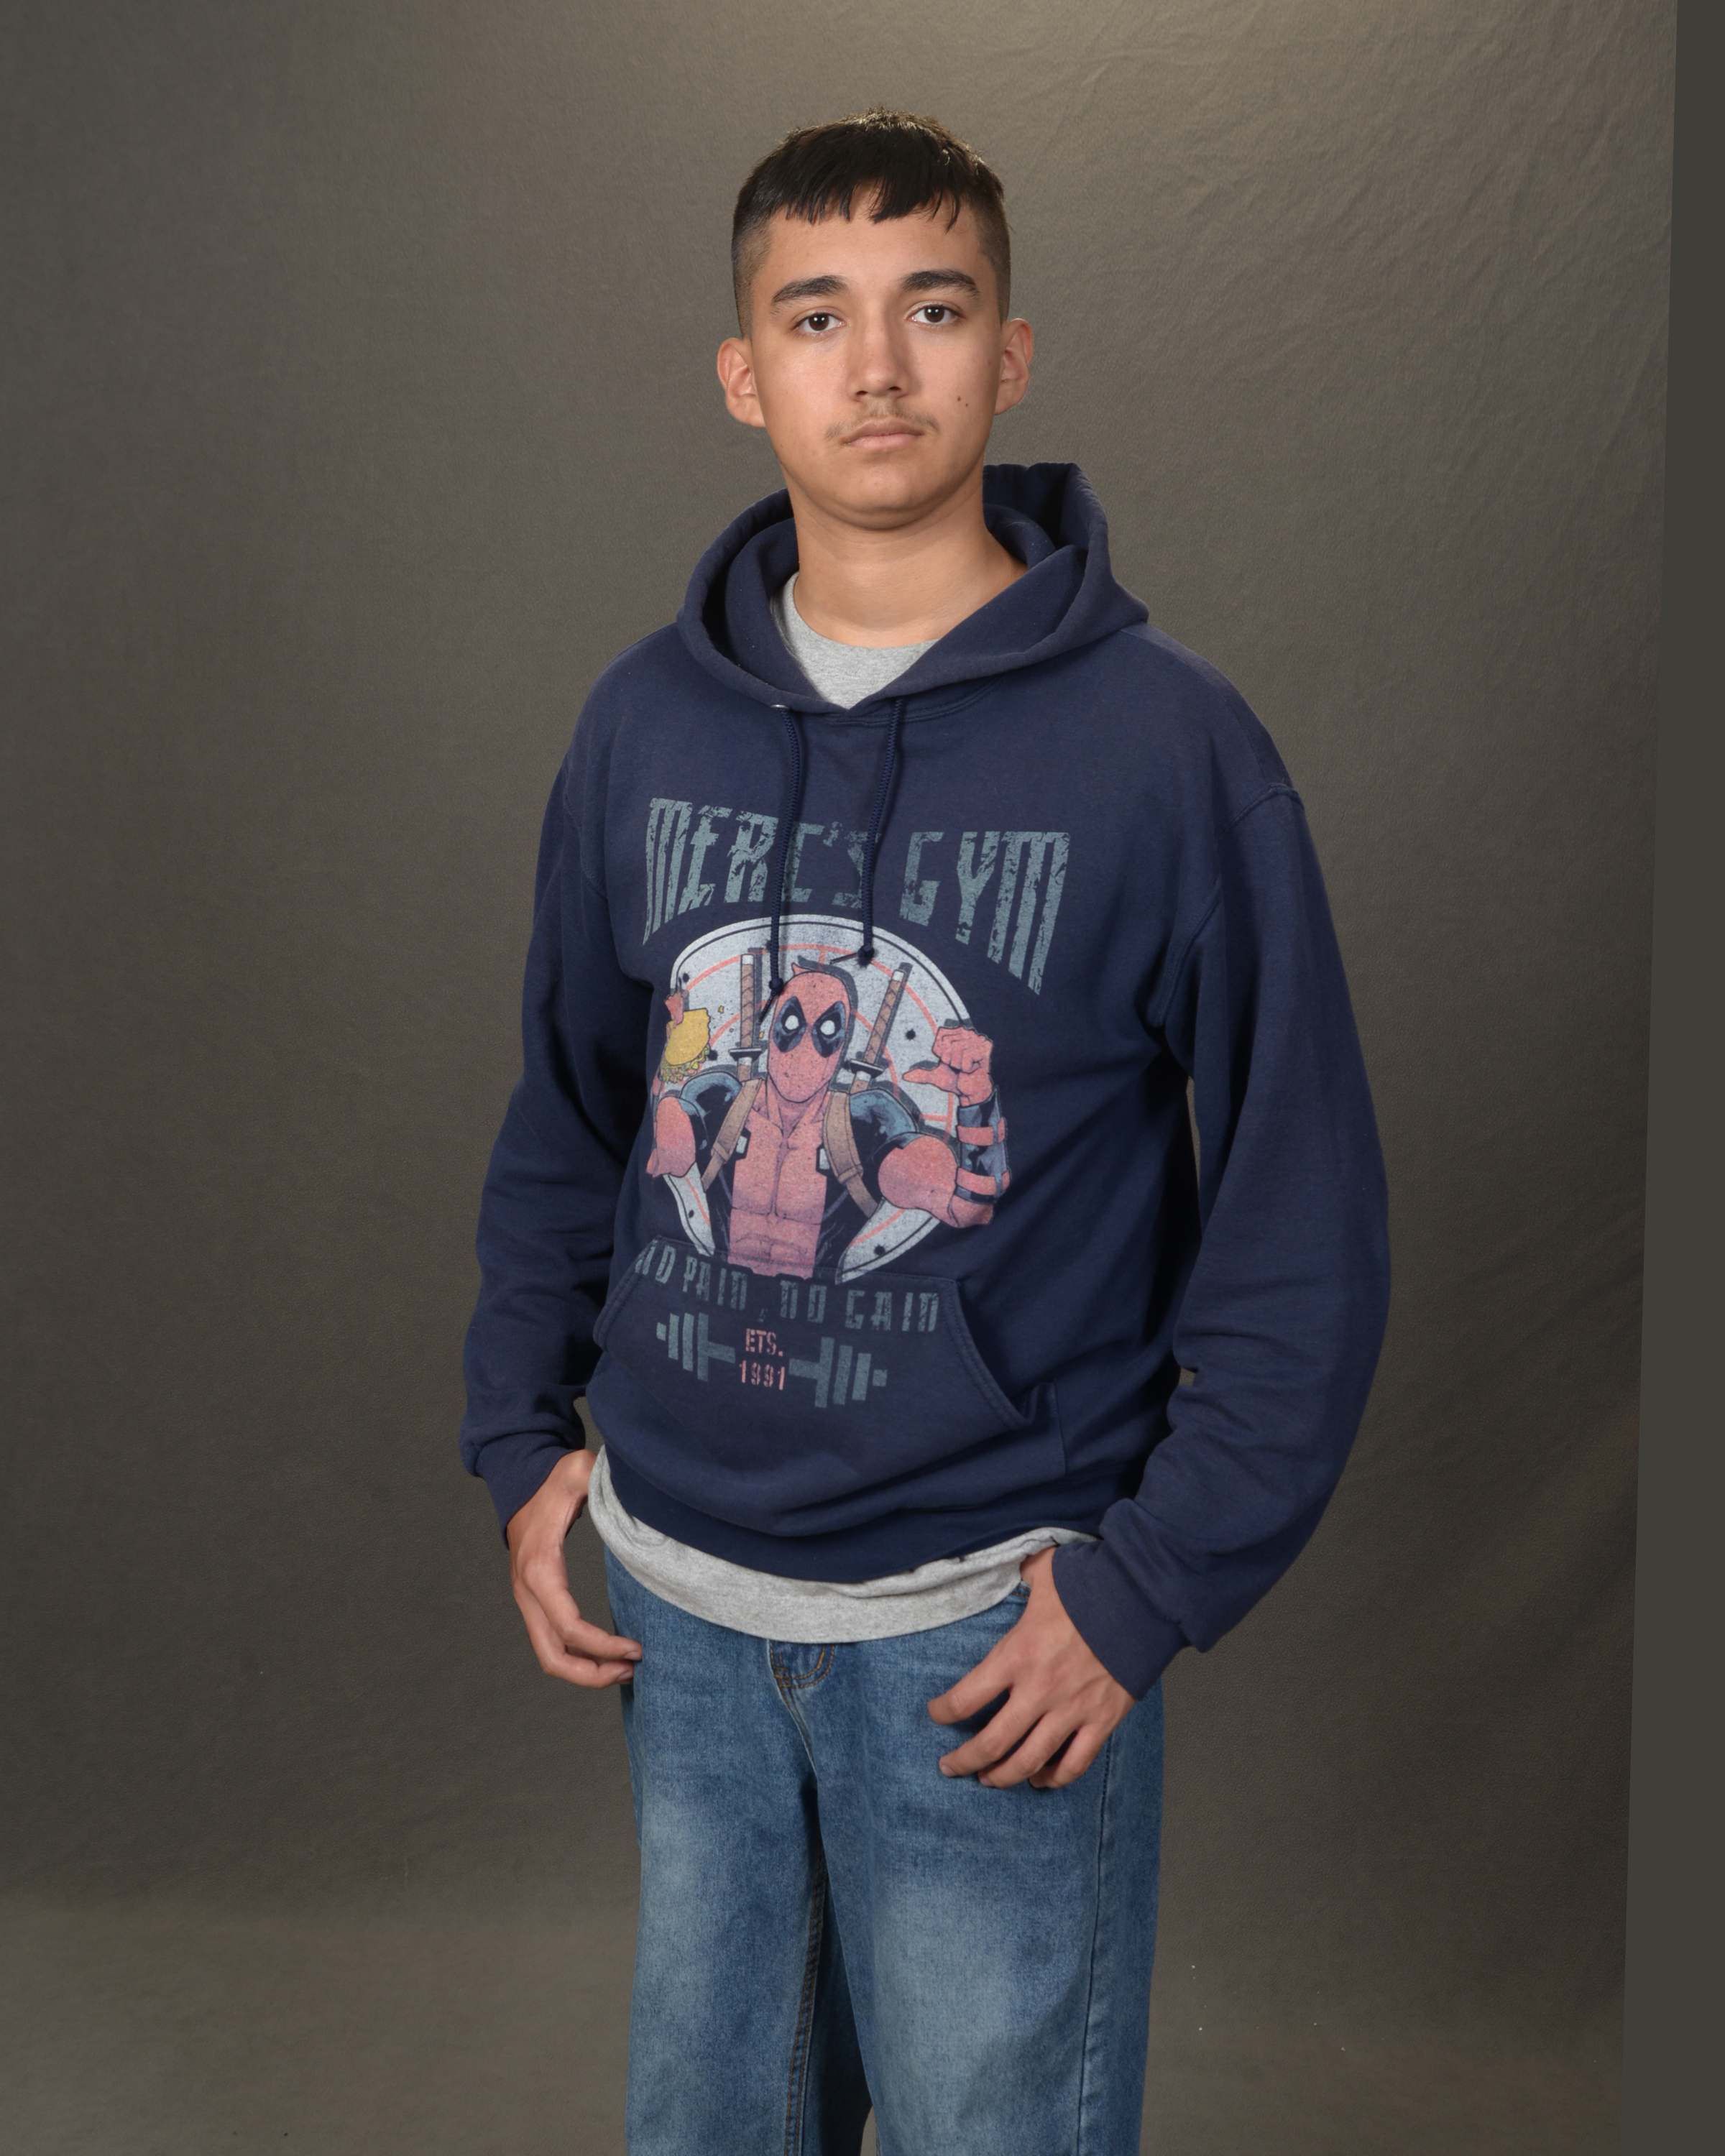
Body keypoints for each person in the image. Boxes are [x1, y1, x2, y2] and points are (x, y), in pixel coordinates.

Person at [460, 108, 1391, 2155]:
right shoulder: (639, 727)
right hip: (683, 1613)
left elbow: (1305, 1219)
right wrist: (522, 1445)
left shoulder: (1172, 750)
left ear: (1012, 353)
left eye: (933, 309)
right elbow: (573, 1114)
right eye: (817, 316)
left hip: (989, 1633)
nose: (876, 367)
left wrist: (1146, 1588)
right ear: (745, 374)